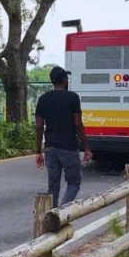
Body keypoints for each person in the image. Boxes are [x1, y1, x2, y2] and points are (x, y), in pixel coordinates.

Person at [35, 66, 93, 208]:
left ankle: (51, 216)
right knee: (74, 183)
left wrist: (38, 151)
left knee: (53, 187)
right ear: (65, 81)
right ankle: (61, 213)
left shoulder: (43, 99)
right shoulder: (72, 98)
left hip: (50, 149)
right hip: (69, 148)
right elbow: (78, 124)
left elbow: (39, 126)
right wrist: (86, 148)